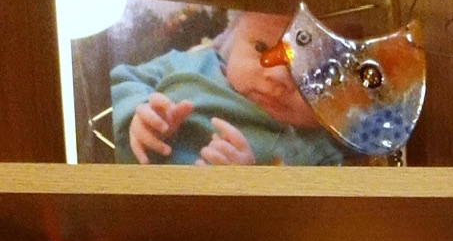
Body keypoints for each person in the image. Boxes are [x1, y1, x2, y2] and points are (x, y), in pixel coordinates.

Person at [111, 9, 347, 167]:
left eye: (310, 67)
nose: (277, 75)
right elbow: (120, 79)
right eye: (261, 47)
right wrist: (137, 112)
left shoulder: (317, 149)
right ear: (230, 40)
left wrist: (251, 187)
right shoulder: (189, 63)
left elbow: (310, 219)